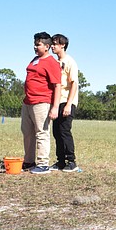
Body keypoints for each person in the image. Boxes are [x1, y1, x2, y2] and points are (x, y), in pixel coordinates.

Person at [21, 32, 61, 174]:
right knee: (27, 132)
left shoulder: (52, 63)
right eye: (35, 43)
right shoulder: (35, 60)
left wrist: (55, 107)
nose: (35, 47)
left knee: (41, 133)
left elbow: (57, 85)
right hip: (28, 102)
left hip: (42, 102)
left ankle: (43, 164)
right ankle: (29, 161)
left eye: (38, 44)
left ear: (47, 46)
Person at [49, 33, 80, 172]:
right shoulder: (54, 62)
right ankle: (60, 161)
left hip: (67, 101)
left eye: (55, 43)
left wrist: (69, 104)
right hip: (57, 101)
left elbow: (74, 84)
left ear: (63, 45)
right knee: (56, 131)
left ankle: (71, 161)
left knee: (64, 131)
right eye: (52, 43)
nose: (53, 46)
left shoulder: (70, 62)